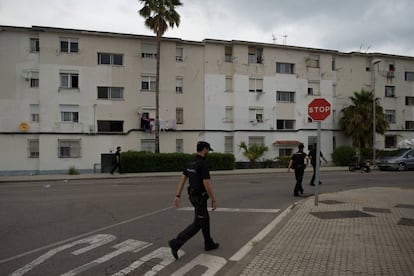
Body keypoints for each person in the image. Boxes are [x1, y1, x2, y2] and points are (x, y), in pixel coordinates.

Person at [168, 141, 219, 260]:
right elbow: (206, 183)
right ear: (204, 149)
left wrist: (178, 195)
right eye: (208, 150)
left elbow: (182, 179)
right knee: (198, 224)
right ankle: (176, 243)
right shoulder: (203, 164)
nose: (208, 152)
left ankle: (208, 243)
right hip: (200, 199)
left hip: (193, 197)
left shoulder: (190, 163)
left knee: (204, 218)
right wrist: (213, 199)